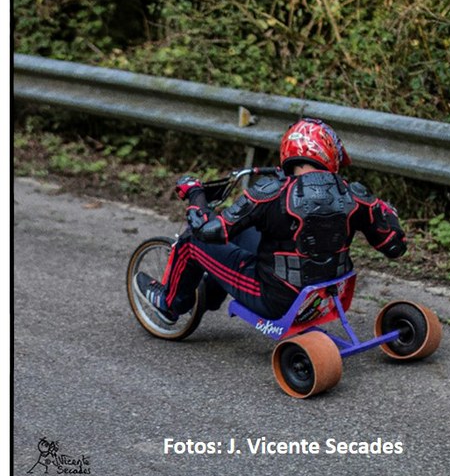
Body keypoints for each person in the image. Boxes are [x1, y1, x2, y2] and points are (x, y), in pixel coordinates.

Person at [134, 118, 407, 323]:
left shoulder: (271, 193)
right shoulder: (353, 195)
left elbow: (207, 230)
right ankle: (211, 293)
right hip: (328, 295)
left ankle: (169, 304)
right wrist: (386, 211)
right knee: (246, 234)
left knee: (192, 241)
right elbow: (395, 246)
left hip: (277, 300)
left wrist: (195, 193)